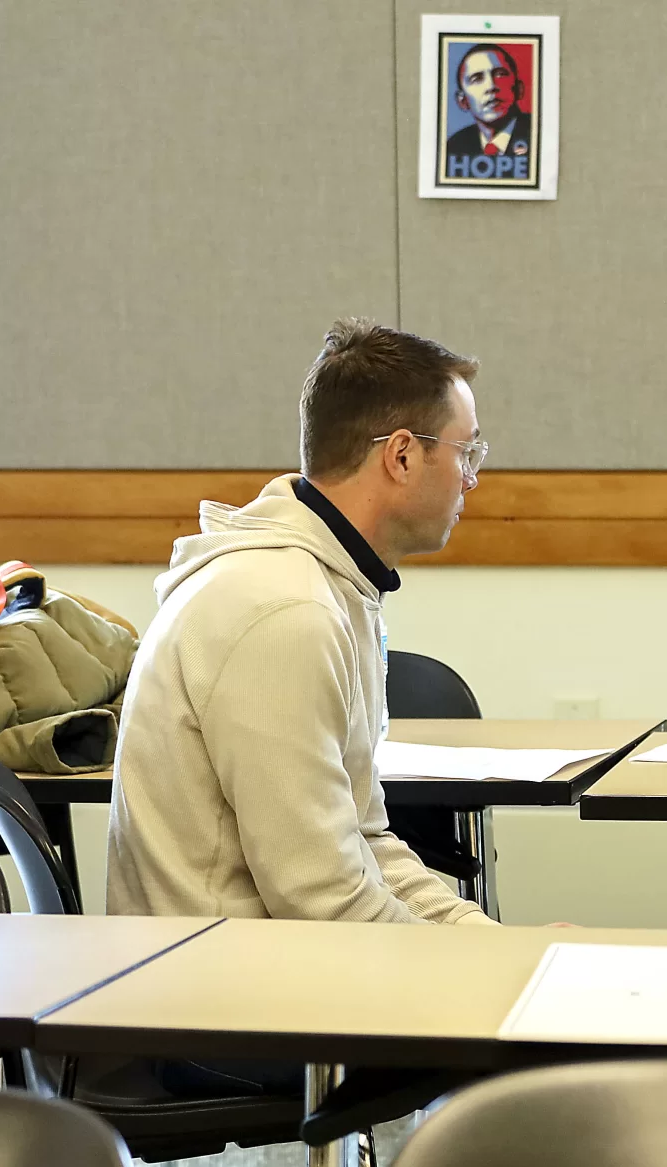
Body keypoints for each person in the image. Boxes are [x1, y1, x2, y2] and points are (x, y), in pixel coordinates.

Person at [108, 318, 496, 933]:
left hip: (274, 965)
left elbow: (364, 841)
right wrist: (481, 966)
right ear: (401, 455)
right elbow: (324, 900)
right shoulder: (287, 612)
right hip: (221, 998)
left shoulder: (329, 584)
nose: (473, 476)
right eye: (465, 450)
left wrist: (488, 942)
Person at [445, 43, 533, 180]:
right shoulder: (454, 146)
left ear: (519, 89)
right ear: (463, 101)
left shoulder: (539, 135)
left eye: (500, 74)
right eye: (477, 79)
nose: (491, 86)